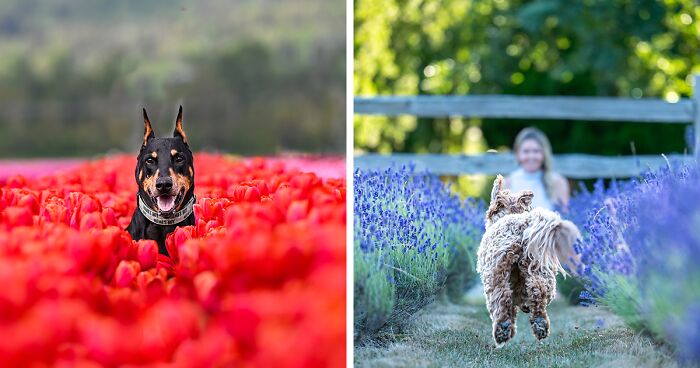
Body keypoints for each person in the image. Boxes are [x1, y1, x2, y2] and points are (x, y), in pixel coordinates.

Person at [503, 127, 569, 211]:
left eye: (536, 151)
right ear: (518, 154)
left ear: (544, 154)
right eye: (526, 151)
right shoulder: (507, 183)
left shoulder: (558, 182)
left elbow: (564, 215)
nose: (531, 156)